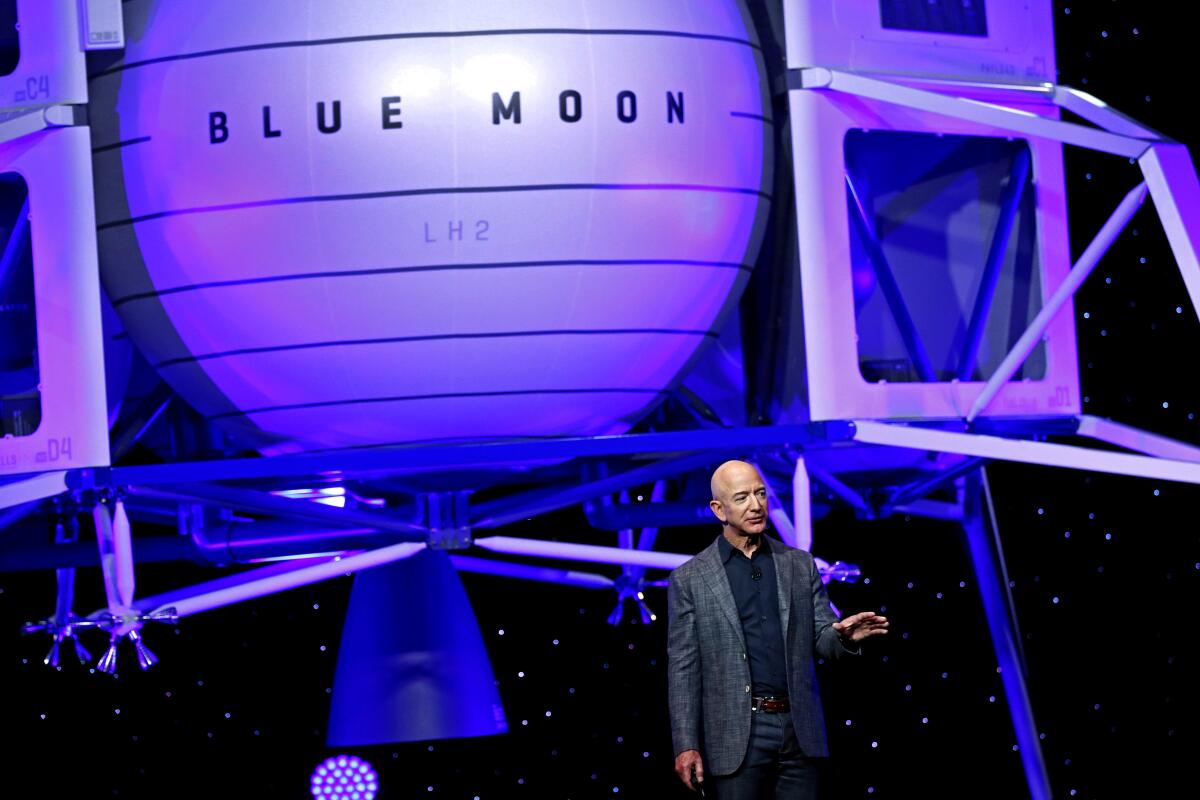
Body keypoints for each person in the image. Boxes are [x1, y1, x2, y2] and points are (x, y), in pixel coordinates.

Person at [668, 460, 888, 799]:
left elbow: (820, 636)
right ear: (718, 509)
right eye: (742, 498)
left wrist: (842, 638)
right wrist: (686, 745)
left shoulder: (799, 565)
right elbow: (683, 668)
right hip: (735, 735)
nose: (756, 505)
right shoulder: (690, 579)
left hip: (798, 731)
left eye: (761, 494)